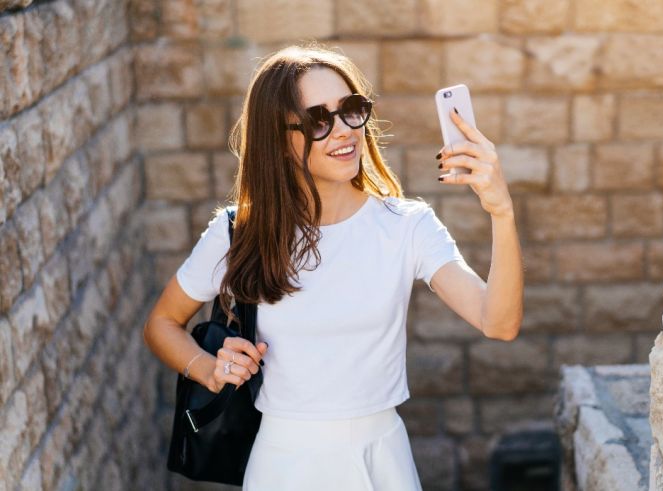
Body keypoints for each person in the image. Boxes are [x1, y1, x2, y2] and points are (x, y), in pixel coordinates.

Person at [142, 44, 523, 490]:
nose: (343, 130)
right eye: (318, 120)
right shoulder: (239, 233)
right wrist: (209, 368)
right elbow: (162, 324)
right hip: (284, 465)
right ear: (279, 140)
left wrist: (502, 213)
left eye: (352, 110)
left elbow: (499, 323)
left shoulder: (407, 226)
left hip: (383, 460)